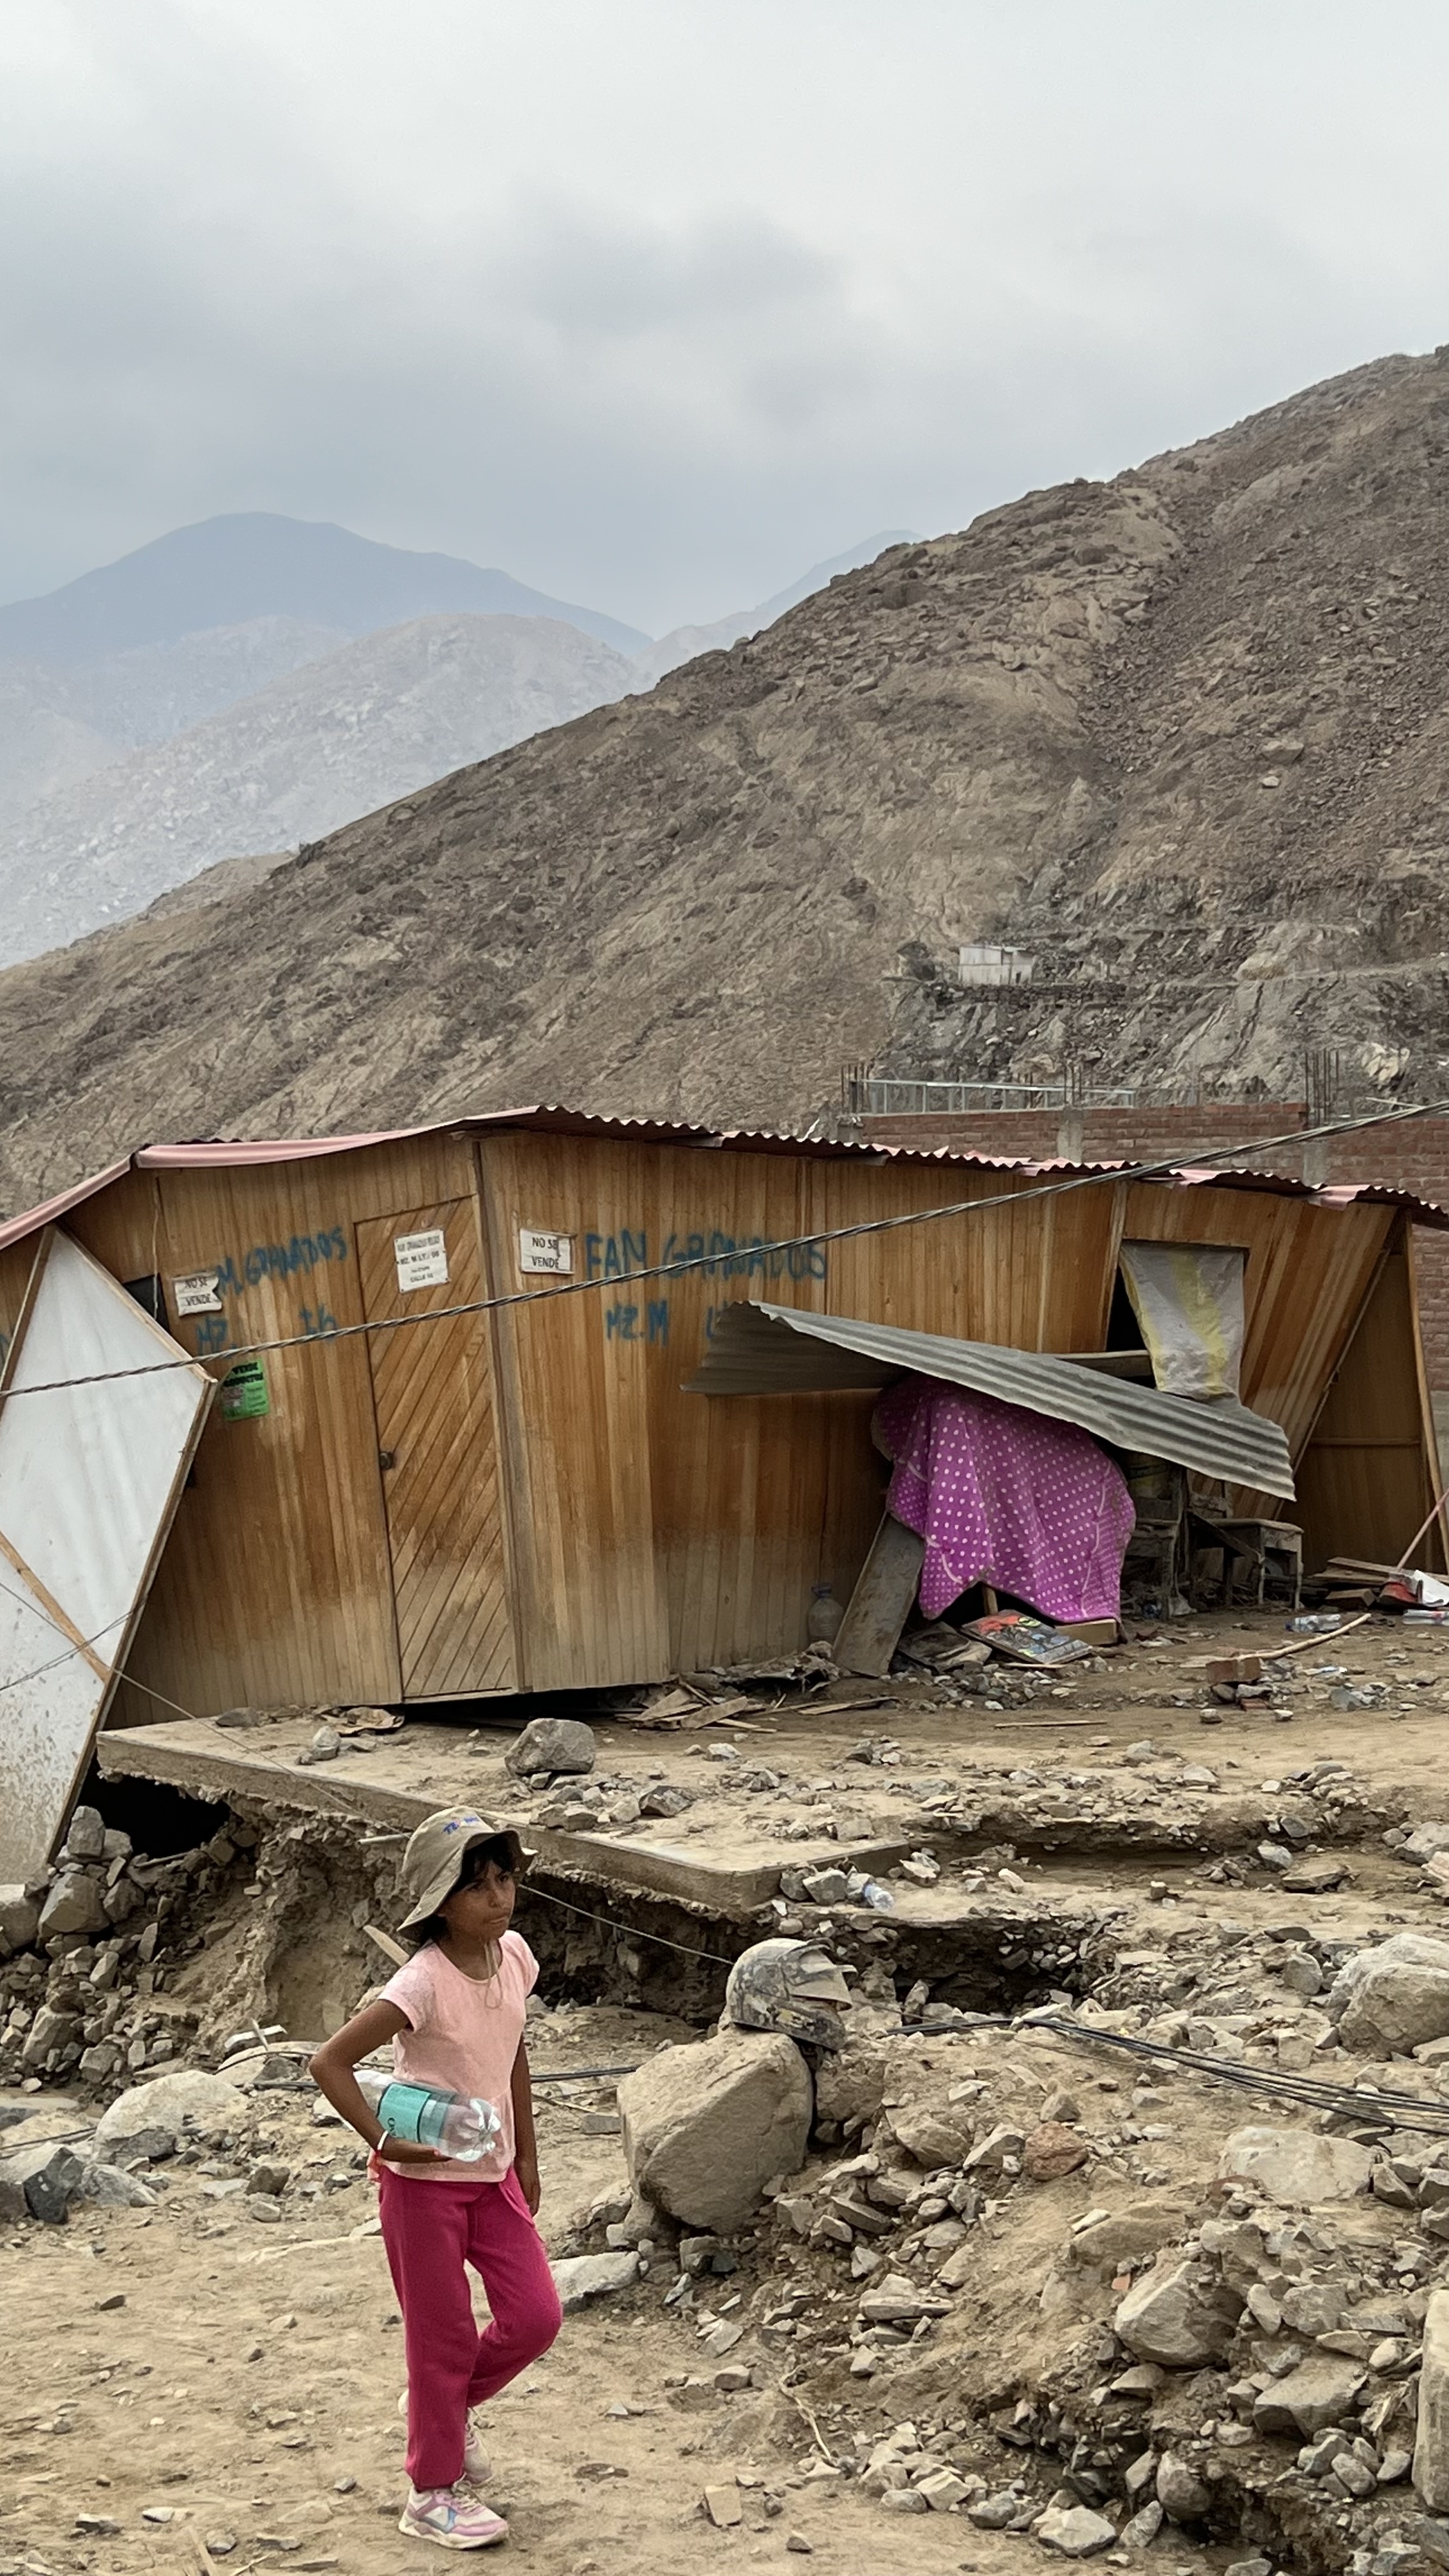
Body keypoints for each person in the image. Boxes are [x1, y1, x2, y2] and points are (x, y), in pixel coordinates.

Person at [310, 1807, 562, 2550]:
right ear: (442, 1902)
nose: (499, 1897)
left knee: (536, 2317)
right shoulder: (420, 1983)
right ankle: (429, 2494)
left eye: (505, 1878)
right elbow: (329, 2062)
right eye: (479, 1885)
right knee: (441, 2336)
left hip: (493, 2175)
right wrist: (384, 2138)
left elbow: (512, 2046)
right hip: (422, 2186)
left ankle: (443, 2410)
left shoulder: (515, 1956)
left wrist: (528, 2154)